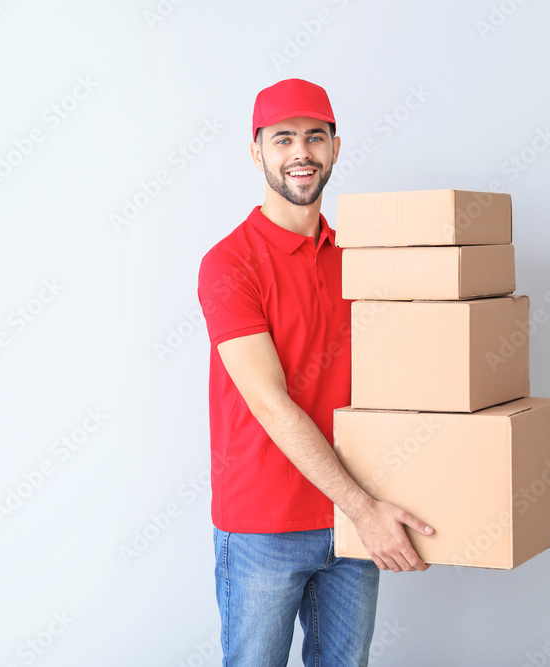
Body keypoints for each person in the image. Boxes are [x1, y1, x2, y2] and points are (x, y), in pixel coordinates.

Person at [196, 78, 435, 666]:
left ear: (334, 146)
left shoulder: (359, 257)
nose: (300, 153)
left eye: (314, 137)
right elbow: (271, 403)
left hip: (354, 517)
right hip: (266, 523)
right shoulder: (229, 263)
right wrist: (364, 510)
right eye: (282, 140)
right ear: (257, 152)